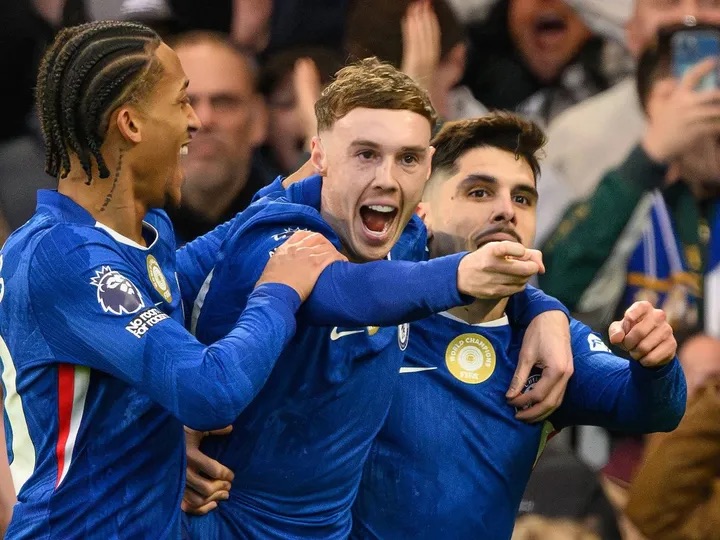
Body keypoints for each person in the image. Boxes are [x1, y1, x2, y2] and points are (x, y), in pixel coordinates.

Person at [181, 58, 575, 538]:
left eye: (407, 159)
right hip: (224, 524)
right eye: (365, 154)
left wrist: (545, 310)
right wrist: (460, 274)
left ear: (427, 165)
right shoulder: (273, 236)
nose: (387, 178)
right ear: (320, 156)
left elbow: (447, 270)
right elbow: (348, 290)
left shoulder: (404, 234)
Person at [0, 20, 345, 538]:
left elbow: (188, 271)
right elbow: (209, 390)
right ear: (131, 124)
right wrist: (280, 289)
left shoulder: (142, 232)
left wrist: (295, 187)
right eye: (182, 100)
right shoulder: (61, 257)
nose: (194, 122)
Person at [349, 114, 685, 540]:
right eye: (479, 192)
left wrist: (656, 362)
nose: (507, 211)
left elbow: (656, 409)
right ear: (422, 212)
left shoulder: (550, 342)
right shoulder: (368, 305)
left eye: (523, 199)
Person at [541, 0, 720, 240]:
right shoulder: (575, 138)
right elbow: (551, 257)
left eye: (712, 3)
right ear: (632, 32)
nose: (690, 17)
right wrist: (646, 159)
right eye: (667, 3)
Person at [167, 31, 271, 244]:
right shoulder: (114, 234)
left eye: (224, 102)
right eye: (183, 103)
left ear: (259, 119)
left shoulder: (298, 225)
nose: (203, 120)